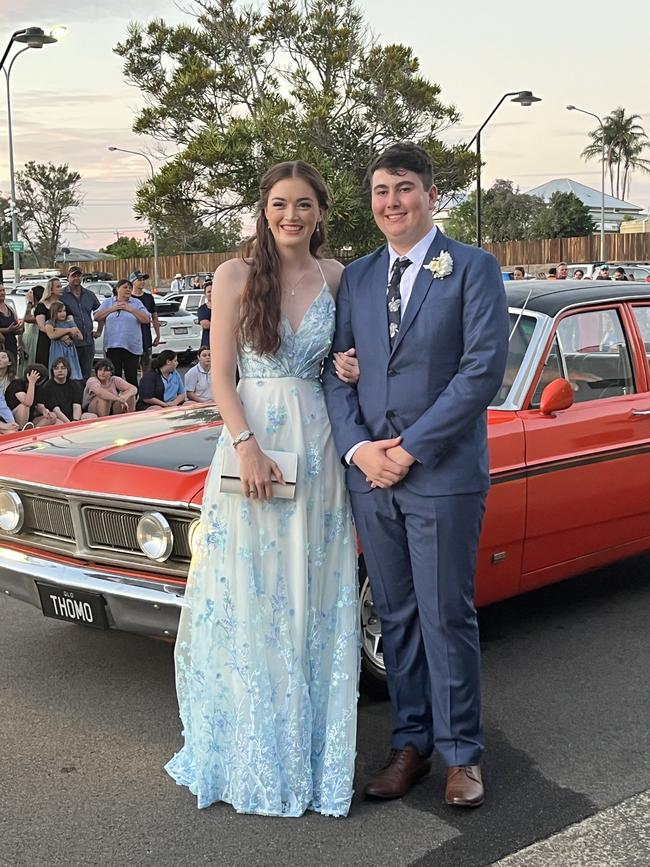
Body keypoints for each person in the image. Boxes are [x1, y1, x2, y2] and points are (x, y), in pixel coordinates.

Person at [165, 160, 359, 818]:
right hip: (252, 443)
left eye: (304, 203)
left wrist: (348, 364)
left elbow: (353, 363)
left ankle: (307, 751)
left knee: (310, 597)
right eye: (280, 203)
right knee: (253, 593)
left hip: (319, 446)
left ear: (321, 210)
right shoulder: (234, 275)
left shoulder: (338, 277)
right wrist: (246, 445)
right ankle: (248, 745)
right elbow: (220, 373)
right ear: (264, 207)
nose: (291, 215)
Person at [323, 142, 509, 809]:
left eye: (403, 188)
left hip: (442, 473)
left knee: (444, 613)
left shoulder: (472, 269)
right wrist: (359, 450)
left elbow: (481, 370)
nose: (391, 202)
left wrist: (410, 447)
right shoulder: (361, 277)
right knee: (394, 613)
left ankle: (462, 752)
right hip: (371, 478)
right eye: (380, 190)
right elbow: (336, 369)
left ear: (431, 196)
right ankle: (410, 743)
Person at [94, 279, 152, 386]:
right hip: (113, 345)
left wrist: (131, 309)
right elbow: (97, 317)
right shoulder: (108, 302)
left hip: (131, 346)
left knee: (131, 376)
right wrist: (112, 309)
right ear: (117, 289)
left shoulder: (136, 302)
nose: (128, 290)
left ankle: (133, 399)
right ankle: (115, 400)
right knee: (114, 376)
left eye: (130, 288)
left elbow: (146, 319)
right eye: (125, 287)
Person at [62, 266, 100, 379]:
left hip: (88, 342)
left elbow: (100, 313)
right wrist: (63, 336)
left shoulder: (89, 294)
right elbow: (53, 316)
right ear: (67, 277)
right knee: (71, 374)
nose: (76, 278)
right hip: (70, 342)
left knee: (86, 375)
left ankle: (85, 396)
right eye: (73, 275)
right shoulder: (61, 295)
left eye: (78, 275)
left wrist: (99, 330)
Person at [41, 357, 96, 423]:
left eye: (63, 368)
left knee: (92, 417)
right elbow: (56, 410)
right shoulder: (47, 386)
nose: (60, 370)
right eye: (56, 368)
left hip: (74, 417)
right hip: (58, 417)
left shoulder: (75, 384)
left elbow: (77, 405)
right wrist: (69, 424)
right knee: (58, 422)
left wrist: (75, 420)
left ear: (68, 369)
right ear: (52, 371)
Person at [5, 363, 59, 428]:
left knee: (52, 417)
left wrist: (44, 411)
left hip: (30, 419)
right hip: (12, 418)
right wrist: (32, 382)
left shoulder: (39, 387)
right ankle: (21, 430)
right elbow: (28, 402)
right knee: (24, 406)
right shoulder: (17, 383)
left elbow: (39, 405)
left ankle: (32, 431)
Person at [34, 277, 73, 368]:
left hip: (63, 344)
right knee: (45, 368)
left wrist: (68, 334)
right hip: (46, 343)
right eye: (58, 286)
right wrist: (58, 335)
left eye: (61, 286)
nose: (61, 288)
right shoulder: (41, 306)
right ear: (50, 290)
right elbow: (41, 326)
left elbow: (71, 323)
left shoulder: (64, 305)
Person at [129, 270, 160, 374]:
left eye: (143, 280)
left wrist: (158, 334)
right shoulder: (128, 298)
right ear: (132, 281)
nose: (142, 282)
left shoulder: (148, 297)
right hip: (131, 338)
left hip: (145, 336)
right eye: (139, 279)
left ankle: (146, 388)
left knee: (147, 367)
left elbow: (154, 317)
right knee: (131, 368)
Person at [45, 302, 83, 380]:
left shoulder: (70, 323)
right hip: (57, 350)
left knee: (72, 371)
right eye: (59, 311)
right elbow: (51, 335)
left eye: (64, 311)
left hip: (69, 351)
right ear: (54, 312)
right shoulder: (50, 323)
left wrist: (61, 332)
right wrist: (68, 330)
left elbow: (80, 337)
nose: (63, 313)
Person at [19, 285, 44, 374]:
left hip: (34, 340)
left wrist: (29, 302)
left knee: (32, 365)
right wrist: (20, 343)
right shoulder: (32, 309)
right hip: (26, 340)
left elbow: (27, 318)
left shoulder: (40, 310)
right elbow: (23, 326)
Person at [0, 281, 23, 361]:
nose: (3, 293)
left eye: (3, 290)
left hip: (12, 346)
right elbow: (9, 329)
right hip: (2, 347)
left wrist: (19, 329)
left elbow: (15, 325)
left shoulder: (9, 308)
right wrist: (7, 330)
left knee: (12, 371)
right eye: (0, 291)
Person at [196, 282, 212, 349]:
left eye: (214, 291)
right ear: (205, 294)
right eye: (209, 292)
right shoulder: (202, 309)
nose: (212, 293)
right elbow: (205, 325)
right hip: (208, 343)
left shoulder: (225, 307)